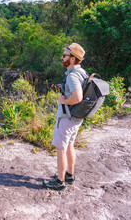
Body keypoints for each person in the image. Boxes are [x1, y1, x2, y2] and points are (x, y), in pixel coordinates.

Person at [43, 43, 87, 191]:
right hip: (76, 119)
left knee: (60, 148)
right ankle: (69, 175)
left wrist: (64, 101)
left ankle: (59, 182)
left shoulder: (73, 76)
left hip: (67, 118)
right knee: (69, 145)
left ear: (73, 59)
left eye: (65, 56)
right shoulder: (82, 73)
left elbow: (78, 97)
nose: (62, 58)